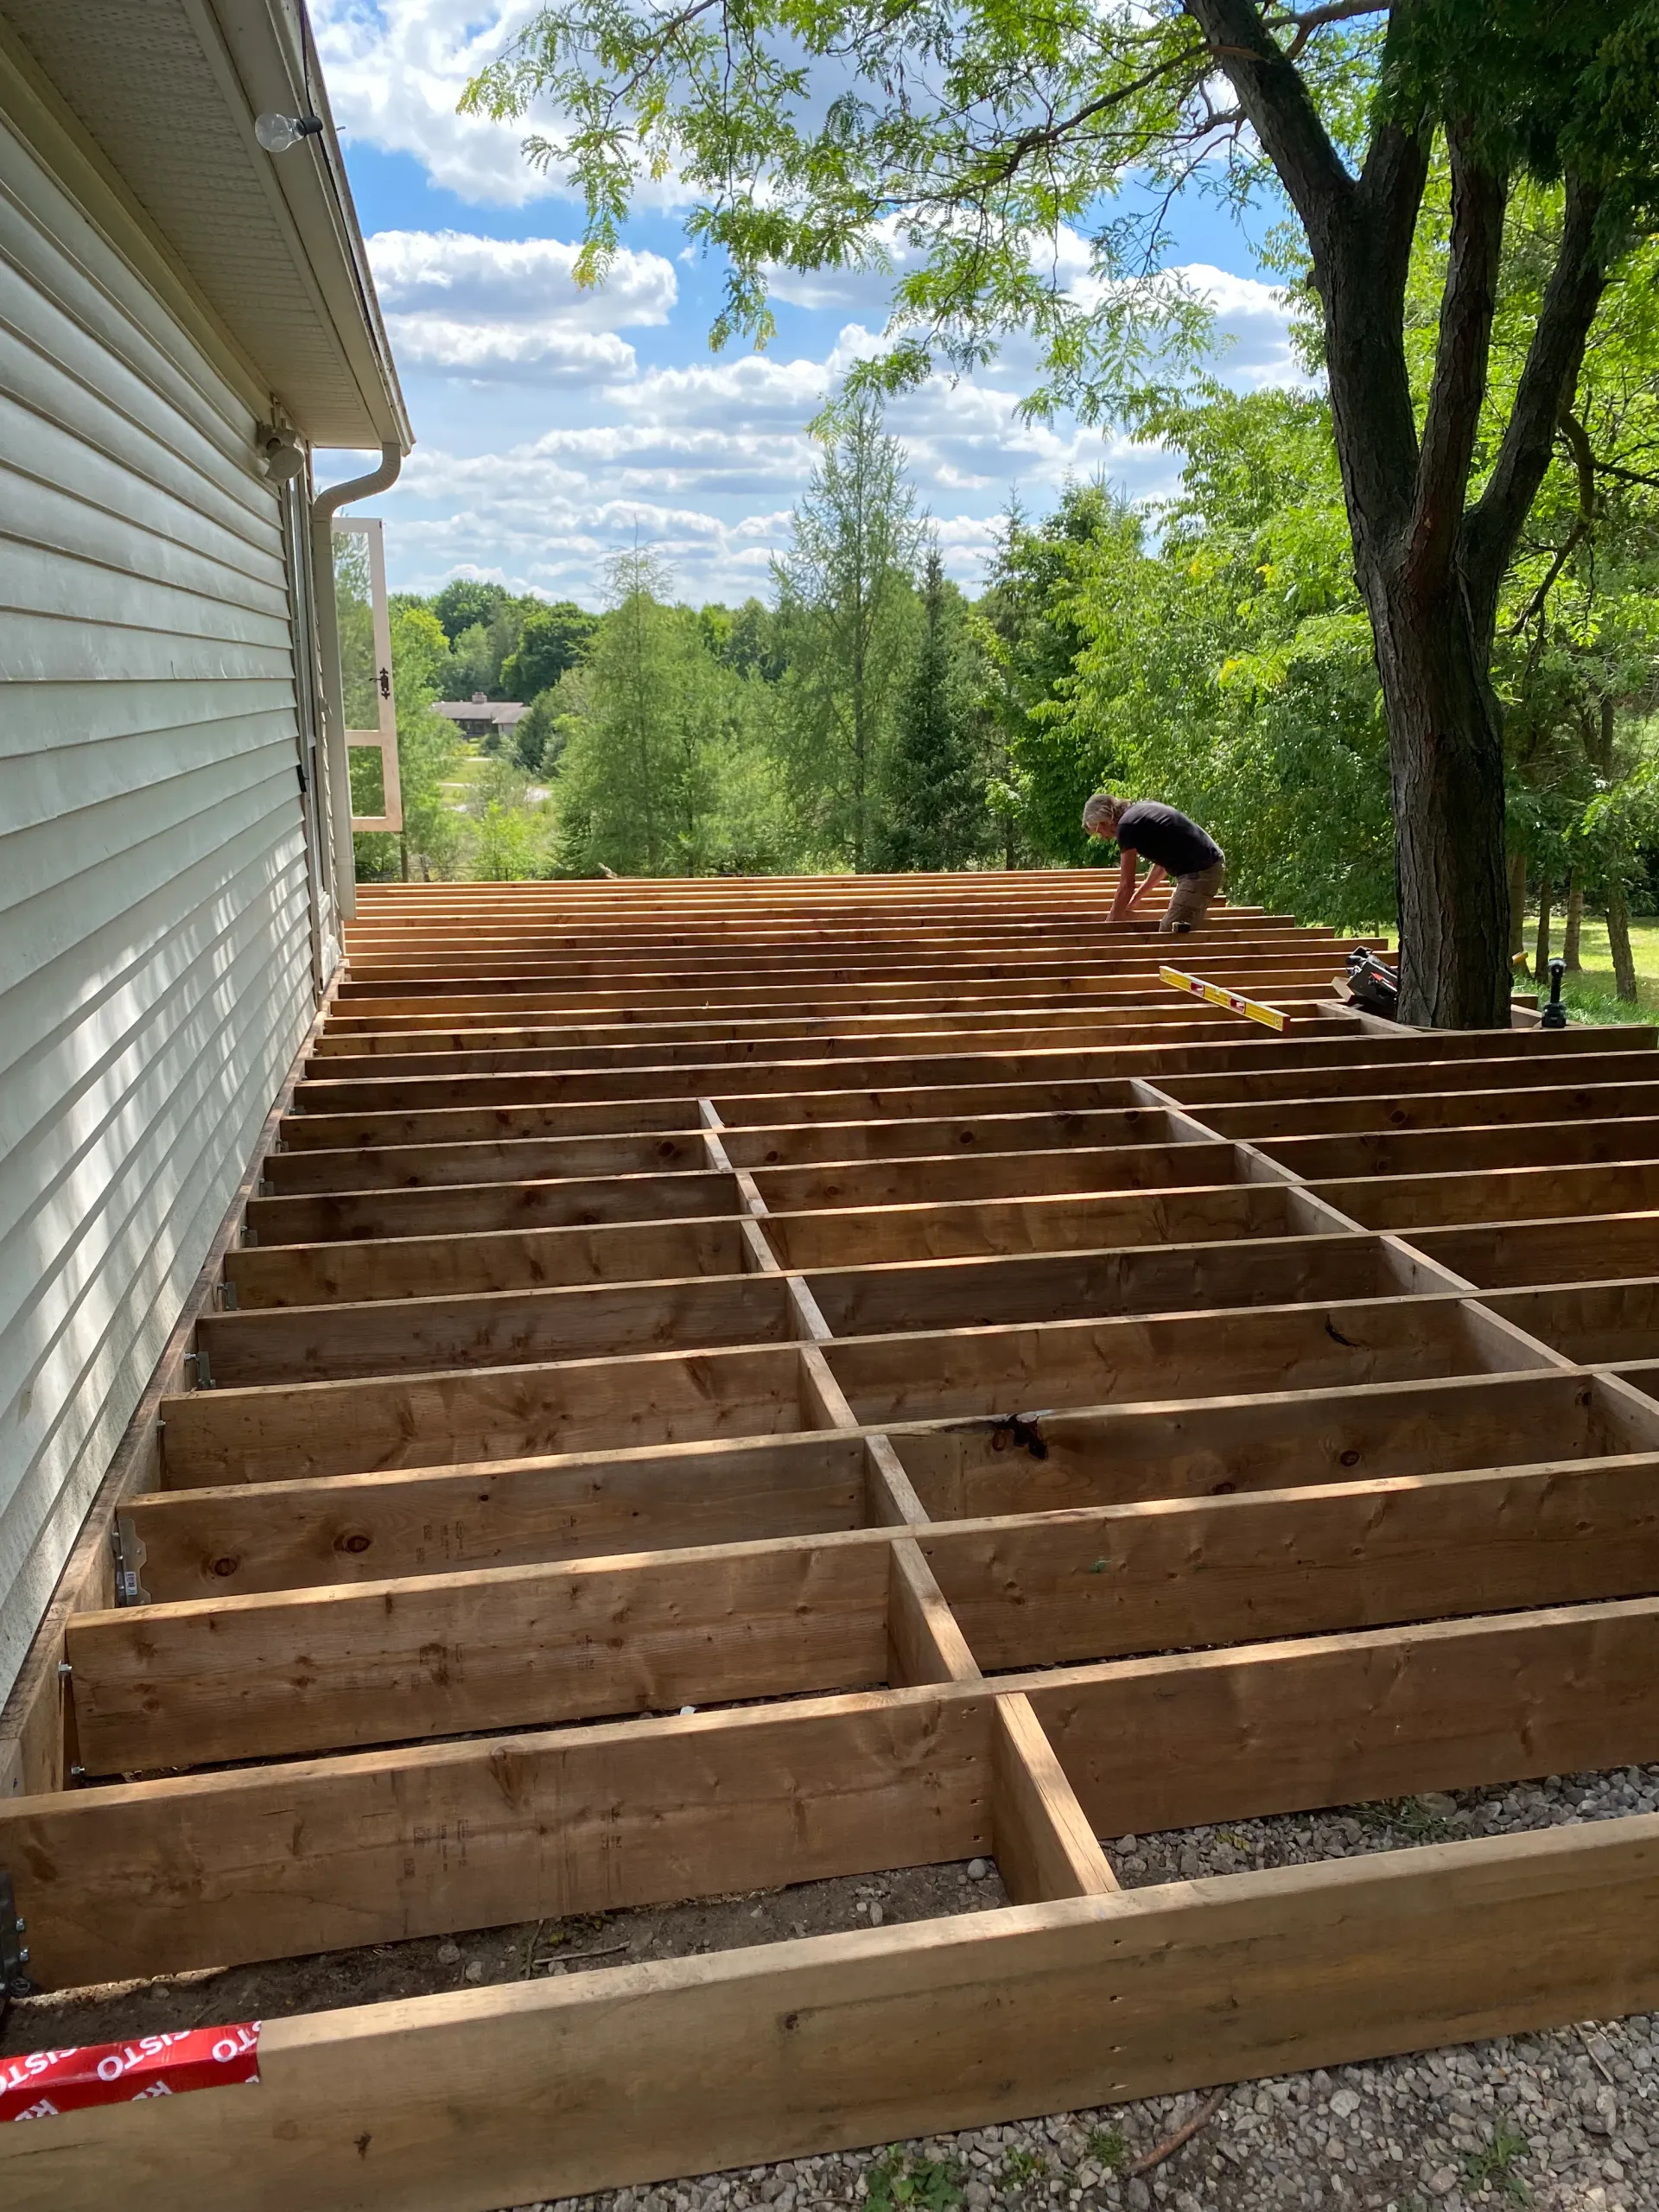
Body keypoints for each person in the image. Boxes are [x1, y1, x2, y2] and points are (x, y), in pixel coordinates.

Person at [1081, 792, 1226, 933]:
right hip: (1208, 866)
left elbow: (1126, 885)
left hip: (1201, 871)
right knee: (1178, 931)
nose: (1104, 838)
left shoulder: (1127, 826)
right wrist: (1134, 901)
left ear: (1103, 823)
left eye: (1099, 832)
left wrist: (1110, 924)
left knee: (1169, 935)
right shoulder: (1140, 813)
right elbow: (1160, 867)